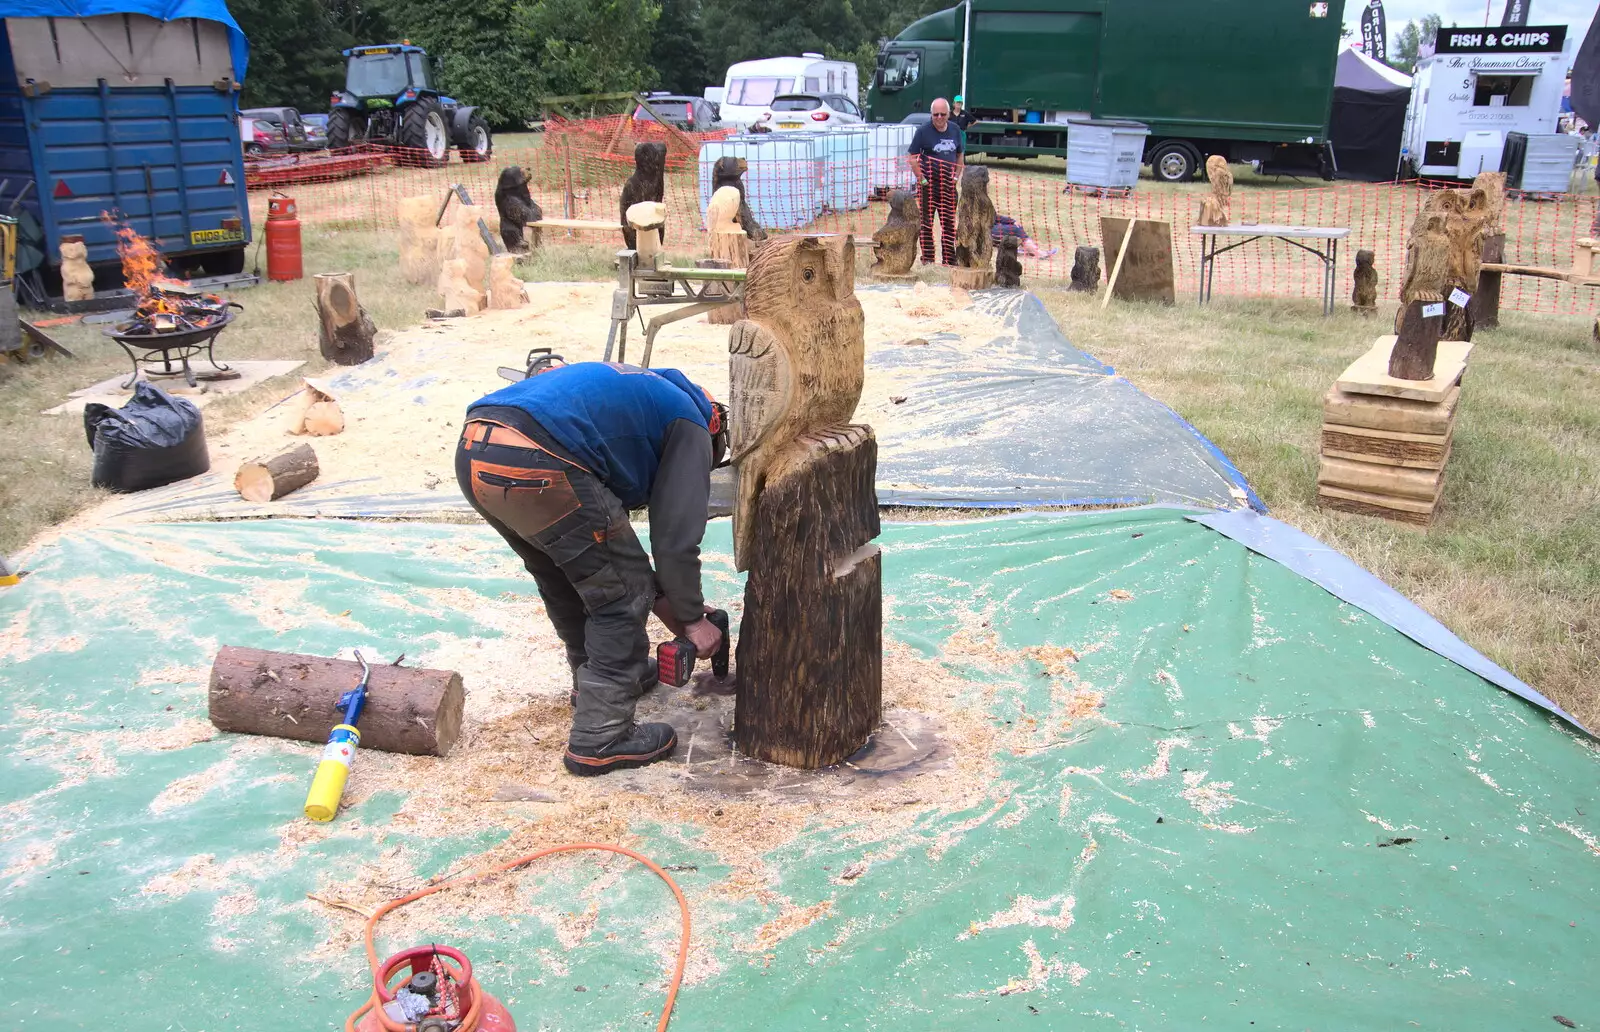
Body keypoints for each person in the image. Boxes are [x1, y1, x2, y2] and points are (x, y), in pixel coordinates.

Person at [456, 361, 728, 776]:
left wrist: (664, 598)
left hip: (477, 445)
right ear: (715, 431)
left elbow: (612, 549)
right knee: (619, 598)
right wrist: (691, 620)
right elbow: (674, 541)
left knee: (566, 577)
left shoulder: (642, 394)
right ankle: (602, 737)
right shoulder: (690, 423)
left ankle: (594, 689)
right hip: (541, 454)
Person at [905, 97, 965, 266]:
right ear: (931, 114)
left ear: (948, 114)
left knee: (948, 224)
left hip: (948, 186)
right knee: (926, 225)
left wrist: (956, 176)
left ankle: (949, 261)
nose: (939, 118)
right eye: (935, 114)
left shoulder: (955, 130)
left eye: (942, 114)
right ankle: (928, 261)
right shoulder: (923, 131)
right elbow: (912, 157)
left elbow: (960, 154)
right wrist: (922, 179)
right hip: (928, 187)